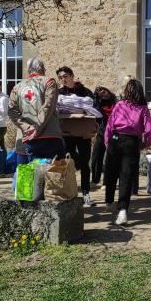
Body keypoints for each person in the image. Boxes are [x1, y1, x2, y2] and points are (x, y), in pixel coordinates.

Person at [103, 79, 151, 225]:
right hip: (132, 142)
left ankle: (109, 202)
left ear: (127, 91)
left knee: (111, 171)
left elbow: (110, 125)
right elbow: (149, 130)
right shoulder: (143, 108)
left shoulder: (119, 105)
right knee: (127, 175)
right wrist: (145, 143)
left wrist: (107, 142)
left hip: (116, 138)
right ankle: (122, 211)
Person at [8, 57, 65, 162]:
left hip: (31, 138)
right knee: (54, 174)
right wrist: (36, 127)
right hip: (50, 136)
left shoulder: (17, 87)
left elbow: (12, 111)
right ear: (42, 69)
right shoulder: (49, 82)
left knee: (36, 175)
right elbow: (48, 107)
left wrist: (26, 127)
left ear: (28, 70)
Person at [56, 66, 97, 207]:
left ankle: (86, 193)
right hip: (67, 131)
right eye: (60, 77)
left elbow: (93, 106)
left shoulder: (84, 91)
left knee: (85, 163)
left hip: (83, 131)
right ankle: (70, 192)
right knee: (69, 159)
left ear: (72, 76)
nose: (63, 79)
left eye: (65, 76)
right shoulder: (58, 92)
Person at [90, 86, 117, 191]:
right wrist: (96, 98)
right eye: (100, 94)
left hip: (114, 132)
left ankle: (106, 182)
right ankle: (95, 180)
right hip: (102, 131)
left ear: (108, 90)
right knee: (96, 157)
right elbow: (94, 110)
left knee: (109, 158)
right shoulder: (98, 104)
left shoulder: (116, 101)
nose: (104, 94)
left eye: (104, 91)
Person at [0, 81, 9, 149]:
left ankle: (0, 159)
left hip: (0, 125)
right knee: (1, 146)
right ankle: (3, 159)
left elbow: (5, 112)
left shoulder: (4, 98)